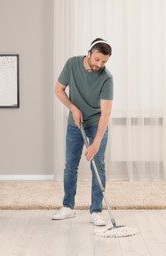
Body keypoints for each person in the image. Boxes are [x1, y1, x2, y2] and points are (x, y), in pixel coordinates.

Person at [52, 38, 113, 226]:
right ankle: (68, 207)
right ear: (89, 53)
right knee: (70, 165)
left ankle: (96, 211)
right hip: (75, 124)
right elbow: (59, 89)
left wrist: (96, 142)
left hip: (96, 124)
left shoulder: (106, 78)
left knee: (98, 166)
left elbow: (106, 114)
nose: (99, 65)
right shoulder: (72, 64)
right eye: (97, 59)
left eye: (104, 61)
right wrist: (73, 108)